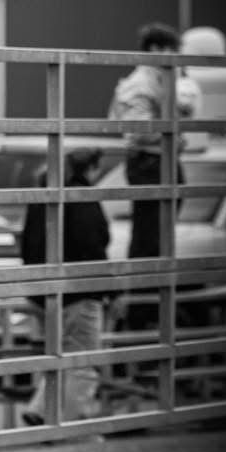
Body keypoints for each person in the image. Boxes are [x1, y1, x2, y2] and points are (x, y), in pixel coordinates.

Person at [20, 148, 111, 425]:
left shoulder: (42, 194)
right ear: (91, 168)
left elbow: (27, 244)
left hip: (44, 292)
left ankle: (41, 410)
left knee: (57, 357)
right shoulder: (82, 197)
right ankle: (73, 427)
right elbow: (93, 246)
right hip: (78, 290)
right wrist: (112, 290)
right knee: (81, 361)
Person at [109, 22, 199, 260]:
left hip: (159, 157)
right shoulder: (140, 82)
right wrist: (172, 136)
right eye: (172, 49)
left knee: (159, 224)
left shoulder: (162, 79)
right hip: (148, 159)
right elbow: (138, 129)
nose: (175, 56)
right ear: (155, 49)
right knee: (149, 226)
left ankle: (154, 280)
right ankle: (145, 284)